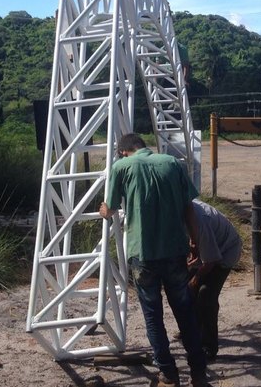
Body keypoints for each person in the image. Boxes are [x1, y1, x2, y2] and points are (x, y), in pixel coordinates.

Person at [99, 133, 209, 387]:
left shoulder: (121, 167)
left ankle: (168, 375)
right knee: (185, 312)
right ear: (142, 146)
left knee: (153, 317)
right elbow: (188, 207)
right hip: (175, 251)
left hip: (143, 255)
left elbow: (111, 208)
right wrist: (195, 241)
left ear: (123, 151)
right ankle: (198, 373)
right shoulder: (171, 164)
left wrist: (104, 210)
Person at [186, 199, 243, 362]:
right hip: (205, 250)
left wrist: (194, 280)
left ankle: (208, 346)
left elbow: (210, 261)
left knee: (205, 295)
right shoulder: (175, 212)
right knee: (188, 294)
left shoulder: (200, 222)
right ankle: (192, 329)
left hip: (225, 251)